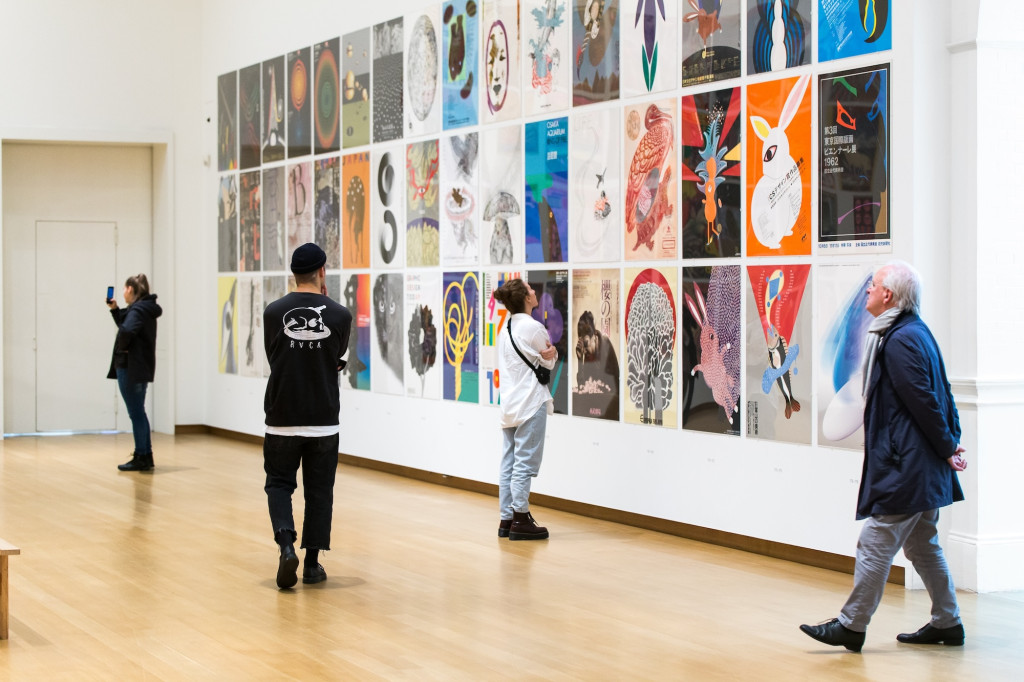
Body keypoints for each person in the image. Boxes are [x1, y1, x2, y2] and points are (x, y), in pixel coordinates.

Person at [800, 260, 967, 652]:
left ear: (888, 295)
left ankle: (851, 625)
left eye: (872, 286)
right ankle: (948, 621)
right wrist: (950, 443)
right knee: (923, 544)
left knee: (874, 543)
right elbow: (942, 394)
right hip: (917, 464)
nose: (867, 292)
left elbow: (926, 401)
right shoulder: (911, 332)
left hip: (907, 467)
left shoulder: (900, 339)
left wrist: (948, 447)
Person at [263, 243, 352, 589]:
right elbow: (334, 355)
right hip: (323, 418)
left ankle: (286, 545)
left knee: (279, 484)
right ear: (322, 272)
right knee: (319, 491)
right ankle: (312, 565)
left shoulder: (274, 312)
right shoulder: (340, 315)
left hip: (282, 414)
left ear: (293, 274)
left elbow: (275, 357)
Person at [493, 279, 558, 540]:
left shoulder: (505, 328)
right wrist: (550, 355)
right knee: (524, 463)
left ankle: (506, 519)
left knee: (509, 461)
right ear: (526, 298)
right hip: (530, 403)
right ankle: (521, 517)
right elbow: (549, 361)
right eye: (531, 290)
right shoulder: (533, 328)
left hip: (509, 405)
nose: (534, 292)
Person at [107, 273, 162, 472]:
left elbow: (126, 330)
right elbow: (127, 323)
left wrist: (124, 348)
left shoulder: (138, 310)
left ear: (130, 289)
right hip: (139, 367)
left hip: (131, 368)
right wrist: (115, 310)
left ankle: (142, 455)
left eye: (124, 289)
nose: (122, 293)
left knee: (136, 413)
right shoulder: (143, 309)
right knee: (139, 412)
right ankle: (144, 454)